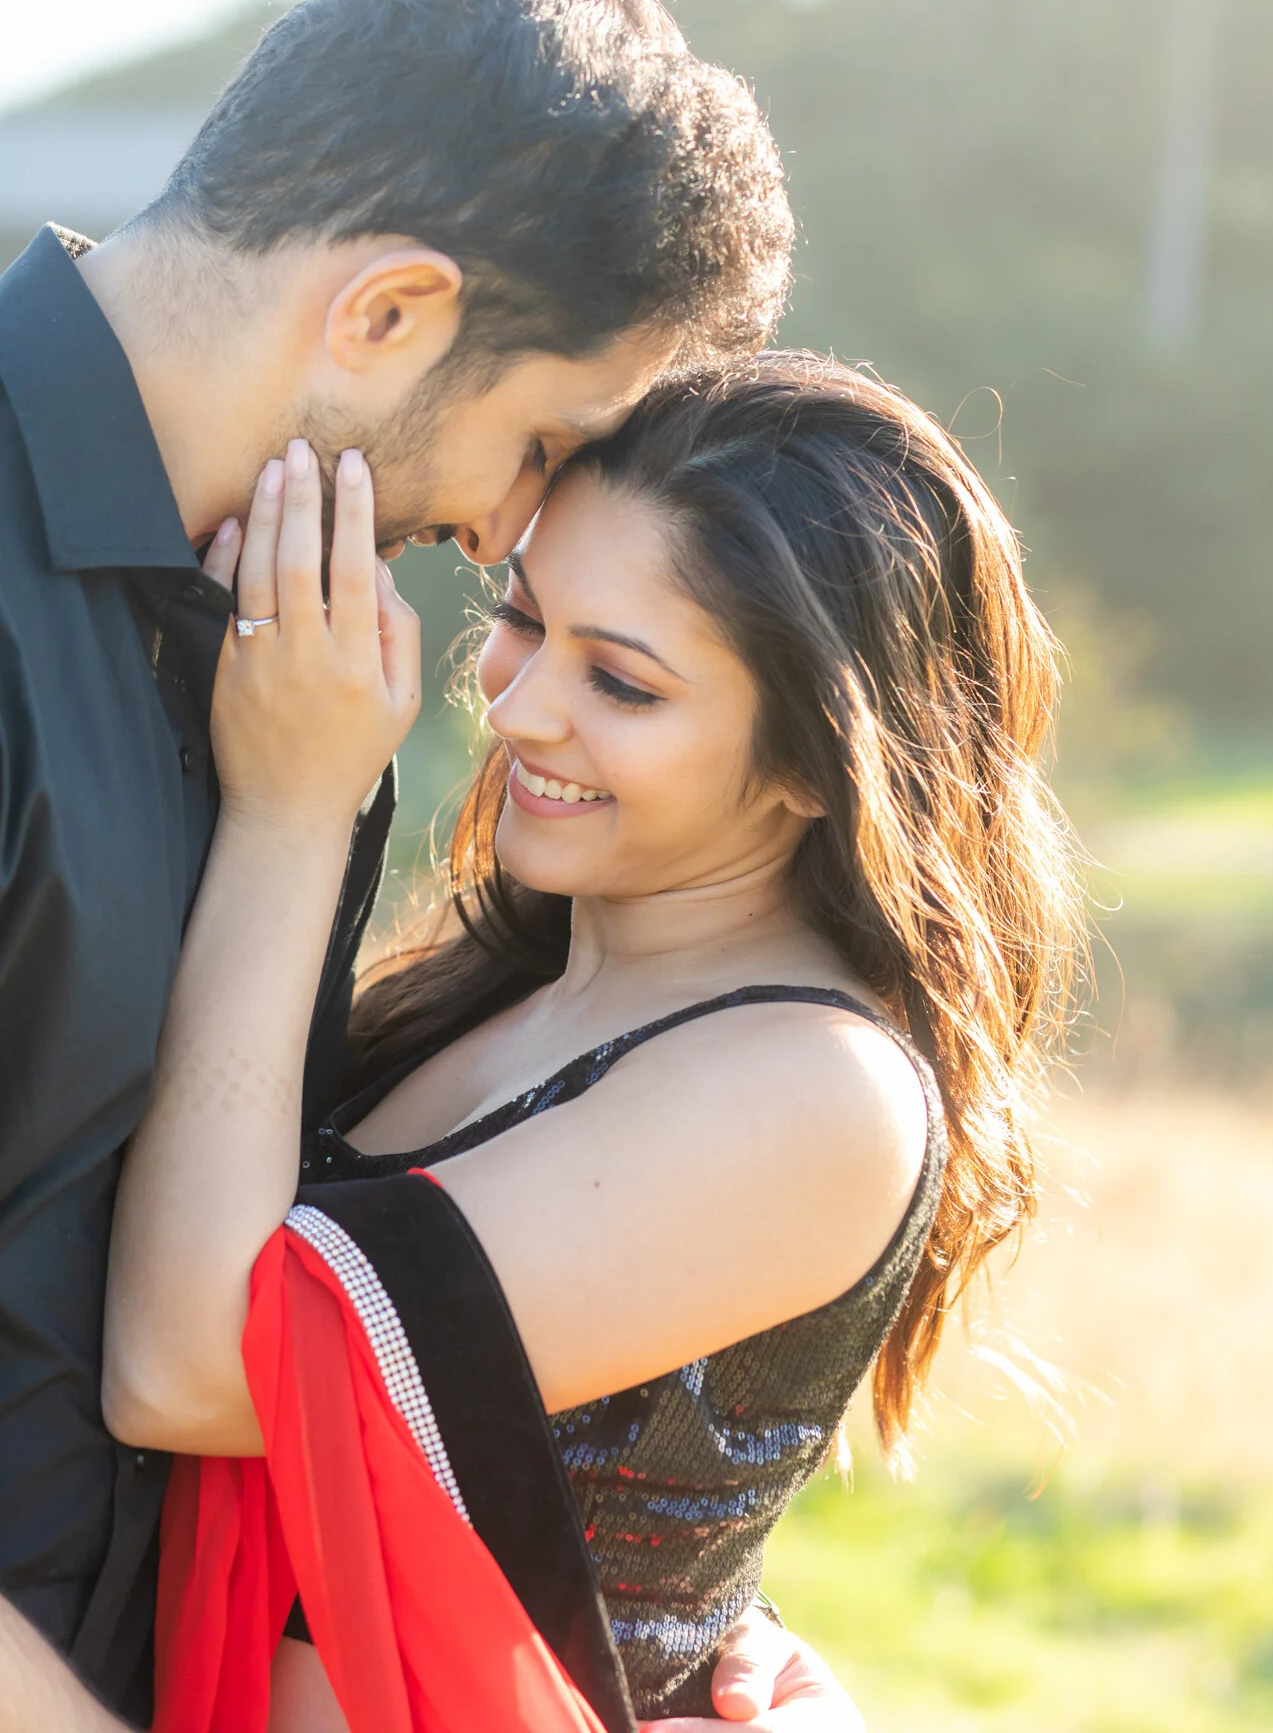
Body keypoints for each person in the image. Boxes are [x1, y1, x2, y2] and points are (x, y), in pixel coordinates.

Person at [0, 0, 832, 1731]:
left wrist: (674, 1613)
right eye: (540, 446)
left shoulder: (296, 663)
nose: (508, 535)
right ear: (387, 313)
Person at [103, 356, 1083, 1731]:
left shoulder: (815, 1091)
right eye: (521, 619)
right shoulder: (509, 985)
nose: (514, 708)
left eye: (620, 682)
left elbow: (190, 1368)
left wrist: (292, 811)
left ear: (814, 762)